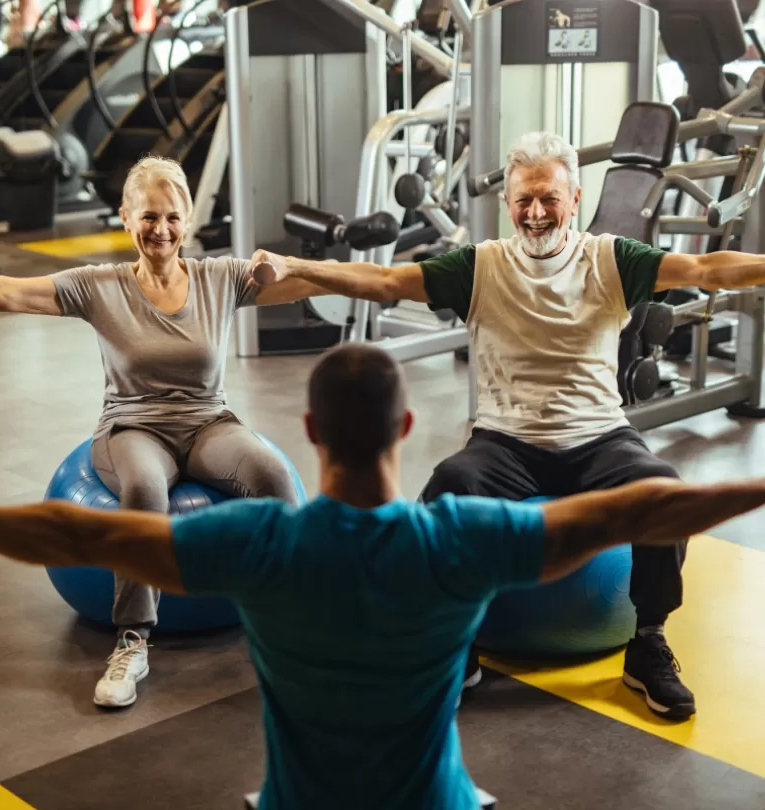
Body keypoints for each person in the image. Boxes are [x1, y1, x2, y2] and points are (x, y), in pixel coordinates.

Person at [0, 345, 765, 810]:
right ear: (406, 427)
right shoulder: (461, 540)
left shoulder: (258, 542)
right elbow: (630, 517)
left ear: (309, 430)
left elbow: (66, 529)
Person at [245, 130, 765, 722]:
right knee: (445, 490)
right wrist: (293, 264)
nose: (536, 213)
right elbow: (385, 283)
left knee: (664, 495)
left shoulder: (611, 260)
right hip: (506, 441)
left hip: (599, 436)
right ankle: (454, 641)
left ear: (574, 199)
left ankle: (647, 642)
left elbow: (705, 267)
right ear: (507, 203)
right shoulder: (481, 266)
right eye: (524, 200)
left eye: (549, 198)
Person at [0, 155, 330, 709]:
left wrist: (308, 270)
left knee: (274, 474)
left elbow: (301, 285)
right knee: (146, 490)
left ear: (188, 221)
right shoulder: (97, 286)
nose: (162, 229)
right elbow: (8, 291)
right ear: (127, 219)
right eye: (149, 217)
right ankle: (133, 640)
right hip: (131, 426)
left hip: (208, 422)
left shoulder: (219, 278)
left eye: (173, 217)